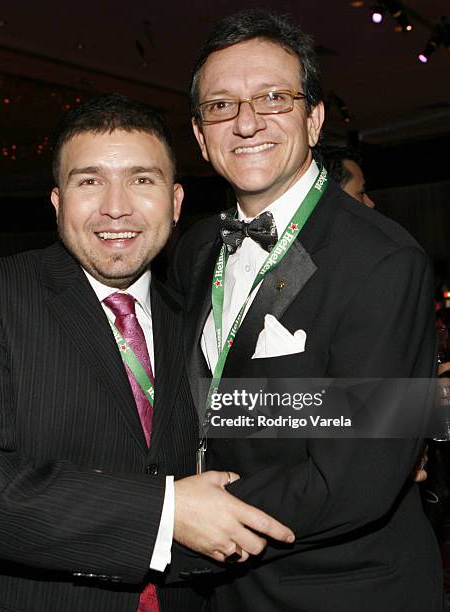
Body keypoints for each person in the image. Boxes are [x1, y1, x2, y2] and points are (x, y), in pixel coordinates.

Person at [0, 94, 293, 611]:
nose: (116, 205)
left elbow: (267, 413)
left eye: (142, 179)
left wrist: (406, 418)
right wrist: (162, 514)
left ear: (176, 201)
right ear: (57, 202)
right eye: (89, 180)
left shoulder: (200, 313)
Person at [170, 9, 443, 611]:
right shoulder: (193, 250)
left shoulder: (383, 258)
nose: (246, 122)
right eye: (221, 106)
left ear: (313, 118)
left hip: (339, 588)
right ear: (199, 135)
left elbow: (357, 477)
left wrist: (168, 527)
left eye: (273, 97)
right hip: (219, 594)